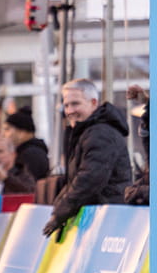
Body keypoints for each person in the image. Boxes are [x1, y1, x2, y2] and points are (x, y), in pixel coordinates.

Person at [42, 78, 131, 239]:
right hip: (100, 218)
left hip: (107, 221)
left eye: (75, 104)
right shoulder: (86, 133)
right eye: (66, 105)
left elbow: (89, 179)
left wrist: (60, 213)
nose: (70, 111)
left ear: (93, 102)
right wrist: (59, 209)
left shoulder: (100, 133)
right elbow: (75, 181)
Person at [0, 106, 50, 184]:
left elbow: (28, 185)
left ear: (21, 132)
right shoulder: (25, 152)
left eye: (7, 129)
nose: (3, 134)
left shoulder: (31, 154)